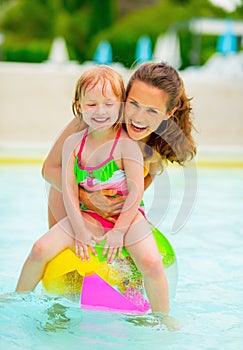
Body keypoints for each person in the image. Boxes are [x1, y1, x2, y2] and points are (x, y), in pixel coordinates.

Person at [16, 65, 170, 315]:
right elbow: (68, 189)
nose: (100, 111)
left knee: (151, 263)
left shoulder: (127, 146)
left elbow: (136, 192)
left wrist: (119, 232)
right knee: (39, 250)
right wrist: (78, 228)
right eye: (91, 104)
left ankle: (163, 318)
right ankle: (16, 300)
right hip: (87, 214)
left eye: (109, 104)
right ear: (78, 106)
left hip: (128, 218)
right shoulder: (73, 144)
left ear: (120, 106)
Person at [43, 62, 196, 229]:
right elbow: (49, 169)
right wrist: (86, 198)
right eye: (133, 103)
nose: (138, 118)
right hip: (68, 198)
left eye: (152, 111)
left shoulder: (161, 140)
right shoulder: (97, 119)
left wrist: (123, 209)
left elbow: (147, 177)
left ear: (169, 113)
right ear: (124, 98)